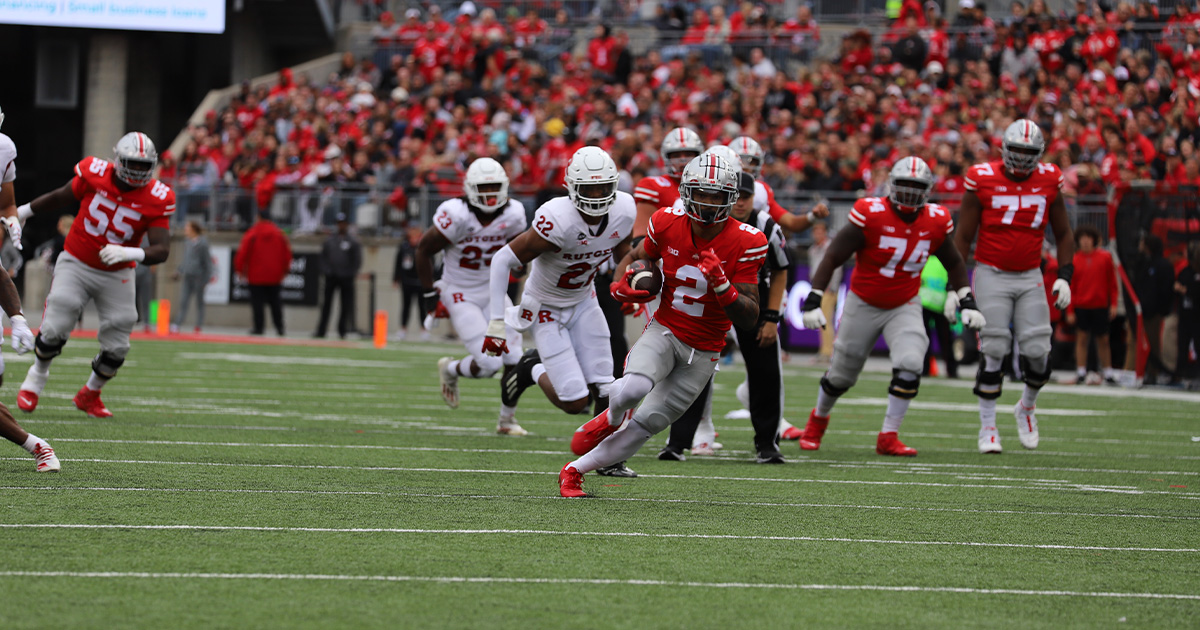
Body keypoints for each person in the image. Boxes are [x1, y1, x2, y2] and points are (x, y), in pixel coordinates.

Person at [558, 152, 768, 497]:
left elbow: (749, 317)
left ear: (730, 197)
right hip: (666, 330)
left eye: (716, 195)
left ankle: (574, 471)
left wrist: (721, 285)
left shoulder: (749, 240)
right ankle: (610, 417)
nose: (706, 202)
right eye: (700, 192)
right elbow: (637, 256)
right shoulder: (666, 221)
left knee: (646, 426)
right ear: (685, 191)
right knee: (636, 387)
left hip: (704, 351)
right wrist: (620, 284)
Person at [798, 157, 984, 457]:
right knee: (842, 375)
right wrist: (814, 297)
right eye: (905, 185)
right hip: (864, 301)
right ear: (892, 186)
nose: (910, 192)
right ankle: (818, 419)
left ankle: (888, 435)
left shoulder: (935, 220)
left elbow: (954, 262)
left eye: (917, 187)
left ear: (928, 190)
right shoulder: (870, 213)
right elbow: (833, 255)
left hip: (904, 303)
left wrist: (966, 298)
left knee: (912, 362)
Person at [484, 146, 637, 476]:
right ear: (571, 187)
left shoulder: (624, 209)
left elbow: (624, 250)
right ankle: (531, 366)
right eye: (588, 188)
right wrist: (497, 322)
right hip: (545, 307)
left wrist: (631, 279)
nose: (596, 196)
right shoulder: (557, 219)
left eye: (602, 188)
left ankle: (605, 459)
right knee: (575, 403)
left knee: (606, 387)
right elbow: (502, 259)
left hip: (584, 300)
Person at [12, 132, 174, 418]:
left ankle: (91, 393)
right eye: (132, 163)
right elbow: (61, 196)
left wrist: (131, 253)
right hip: (77, 260)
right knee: (59, 316)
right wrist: (23, 212)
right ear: (118, 160)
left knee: (119, 340)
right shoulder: (94, 173)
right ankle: (36, 377)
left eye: (143, 165)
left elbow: (162, 249)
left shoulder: (158, 197)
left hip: (118, 270)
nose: (137, 170)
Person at [954, 119, 1074, 453]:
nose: (1021, 158)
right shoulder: (982, 178)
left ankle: (1027, 406)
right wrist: (957, 287)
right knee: (994, 349)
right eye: (1016, 151)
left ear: (1040, 154)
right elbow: (962, 236)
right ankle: (988, 427)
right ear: (1004, 149)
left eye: (1028, 152)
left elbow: (1064, 233)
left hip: (1030, 274)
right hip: (992, 272)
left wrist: (1065, 274)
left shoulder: (1049, 179)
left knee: (1038, 352)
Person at [662, 171, 791, 463]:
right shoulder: (697, 218)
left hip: (749, 302)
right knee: (692, 369)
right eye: (738, 196)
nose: (742, 203)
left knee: (765, 372)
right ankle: (678, 440)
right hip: (706, 303)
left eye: (747, 197)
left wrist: (772, 317)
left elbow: (782, 267)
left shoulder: (763, 224)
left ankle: (767, 443)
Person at [417, 157, 527, 434]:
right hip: (460, 292)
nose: (490, 195)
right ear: (470, 188)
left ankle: (506, 420)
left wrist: (520, 263)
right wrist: (430, 291)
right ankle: (452, 370)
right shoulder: (456, 214)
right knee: (490, 364)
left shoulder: (513, 213)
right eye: (483, 187)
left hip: (493, 290)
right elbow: (422, 250)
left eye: (494, 187)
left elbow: (520, 252)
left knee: (514, 355)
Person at [0, 106, 59, 471]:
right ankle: (38, 446)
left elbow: (7, 202)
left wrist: (19, 319)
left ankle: (37, 445)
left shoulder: (3, 149)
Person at [1066, 224, 1118, 385]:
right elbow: (1071, 286)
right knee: (1081, 338)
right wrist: (1070, 310)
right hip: (1082, 305)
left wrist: (1114, 304)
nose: (1085, 242)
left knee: (1103, 339)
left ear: (1094, 240)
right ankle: (1081, 371)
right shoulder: (1074, 259)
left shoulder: (1105, 257)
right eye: (1082, 238)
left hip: (1100, 305)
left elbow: (1112, 283)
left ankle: (1108, 372)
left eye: (1088, 238)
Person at [633, 127, 703, 238]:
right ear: (666, 157)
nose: (683, 160)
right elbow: (640, 237)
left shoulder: (708, 184)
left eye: (688, 154)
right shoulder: (653, 186)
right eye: (676, 155)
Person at [236, 210, 291, 336]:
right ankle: (280, 327)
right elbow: (287, 255)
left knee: (257, 304)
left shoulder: (252, 233)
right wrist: (285, 270)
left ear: (259, 217)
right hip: (274, 276)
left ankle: (259, 328)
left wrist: (240, 270)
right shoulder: (279, 234)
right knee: (276, 303)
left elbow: (242, 254)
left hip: (256, 275)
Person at [1133, 234, 1174, 382]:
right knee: (1142, 342)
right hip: (1144, 311)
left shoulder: (1162, 265)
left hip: (1155, 313)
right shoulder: (1145, 263)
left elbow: (1165, 289)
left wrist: (1160, 310)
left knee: (1153, 342)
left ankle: (1154, 372)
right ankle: (1143, 370)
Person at [315, 213, 363, 339]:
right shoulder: (330, 241)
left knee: (345, 306)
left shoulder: (352, 241)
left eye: (343, 223)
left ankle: (342, 331)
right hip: (331, 277)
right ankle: (321, 330)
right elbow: (323, 258)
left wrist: (350, 273)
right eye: (339, 223)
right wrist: (327, 271)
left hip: (346, 278)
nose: (341, 225)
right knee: (326, 305)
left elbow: (357, 260)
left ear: (347, 224)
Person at [171, 220, 213, 334]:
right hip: (187, 276)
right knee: (183, 301)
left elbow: (207, 262)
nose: (185, 230)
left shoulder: (203, 243)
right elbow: (185, 260)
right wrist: (179, 271)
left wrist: (206, 279)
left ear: (193, 229)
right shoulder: (187, 242)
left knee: (199, 302)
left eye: (187, 228)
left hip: (198, 277)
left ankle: (198, 325)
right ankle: (177, 324)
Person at [920, 255, 958, 378]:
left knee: (943, 341)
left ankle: (949, 371)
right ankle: (927, 369)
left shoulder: (928, 259)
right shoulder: (943, 259)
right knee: (926, 340)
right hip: (928, 305)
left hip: (940, 306)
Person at [807, 220, 840, 362]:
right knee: (821, 320)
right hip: (817, 288)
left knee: (825, 320)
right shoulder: (812, 249)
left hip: (827, 289)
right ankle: (824, 351)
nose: (818, 234)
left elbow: (837, 268)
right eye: (815, 231)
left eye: (820, 231)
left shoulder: (830, 248)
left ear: (825, 232)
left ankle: (828, 352)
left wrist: (832, 286)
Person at [393, 225, 424, 340]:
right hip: (407, 281)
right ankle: (403, 328)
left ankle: (423, 330)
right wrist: (396, 278)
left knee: (422, 307)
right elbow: (397, 263)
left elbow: (430, 263)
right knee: (406, 306)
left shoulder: (423, 246)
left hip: (420, 281)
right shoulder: (404, 247)